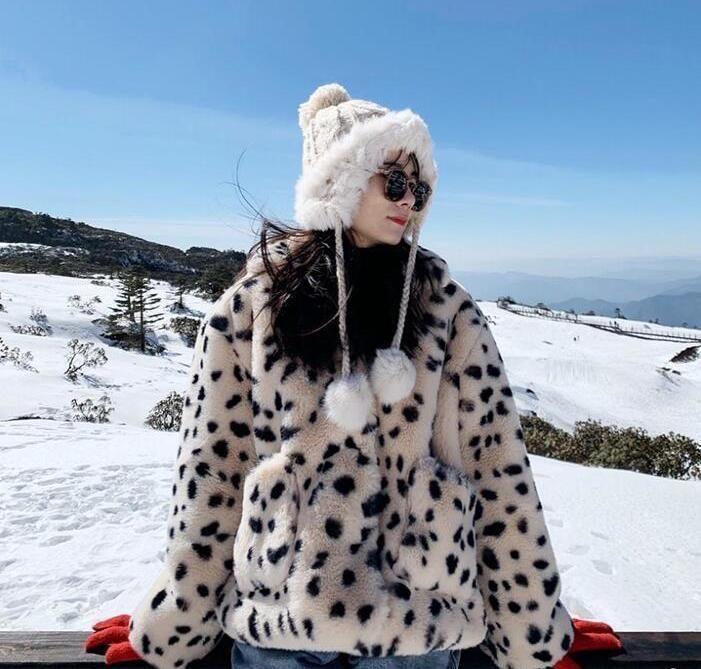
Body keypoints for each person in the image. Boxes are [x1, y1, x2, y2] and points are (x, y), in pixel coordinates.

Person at [85, 83, 622, 669]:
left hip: (418, 623)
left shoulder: (445, 309)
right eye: (394, 181)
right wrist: (175, 623)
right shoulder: (251, 307)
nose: (409, 201)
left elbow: (497, 469)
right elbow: (213, 471)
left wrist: (532, 627)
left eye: (419, 188)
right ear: (337, 180)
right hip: (281, 623)